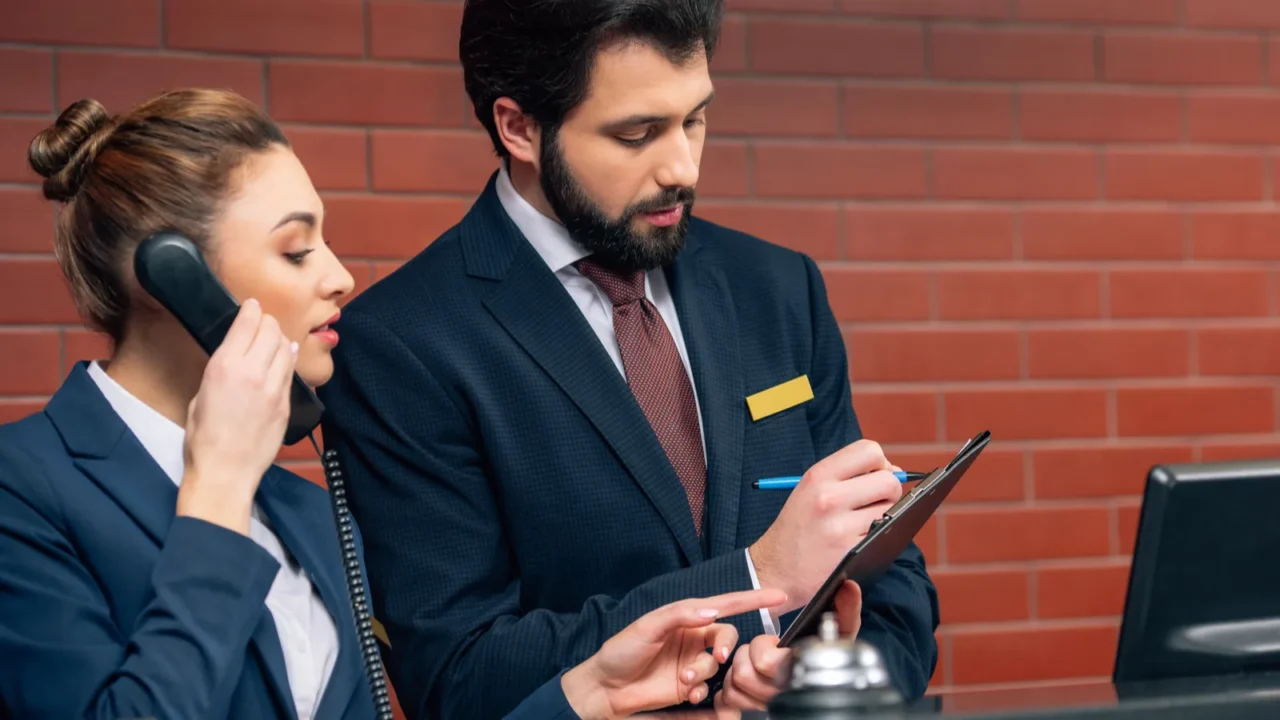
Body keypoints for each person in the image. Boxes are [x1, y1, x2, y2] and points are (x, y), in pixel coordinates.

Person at [0, 89, 791, 720]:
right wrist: (215, 498)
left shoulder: (303, 513)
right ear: (170, 280)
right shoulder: (26, 491)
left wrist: (585, 697)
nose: (340, 277)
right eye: (296, 248)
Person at [315, 0, 941, 717]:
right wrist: (756, 581)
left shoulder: (778, 289)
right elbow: (459, 674)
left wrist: (814, 678)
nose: (681, 166)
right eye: (637, 134)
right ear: (518, 127)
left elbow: (895, 592)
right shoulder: (401, 345)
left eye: (695, 119)